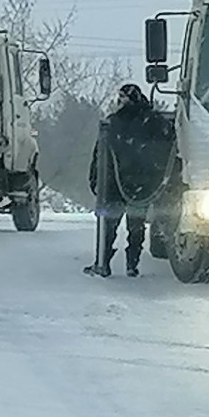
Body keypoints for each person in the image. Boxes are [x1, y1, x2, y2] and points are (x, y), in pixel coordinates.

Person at [83, 84, 172, 278]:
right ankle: (131, 265)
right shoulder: (153, 122)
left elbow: (100, 154)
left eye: (122, 98)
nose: (119, 102)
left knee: (111, 224)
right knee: (135, 225)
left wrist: (95, 178)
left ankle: (104, 262)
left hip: (116, 184)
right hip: (141, 185)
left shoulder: (115, 123)